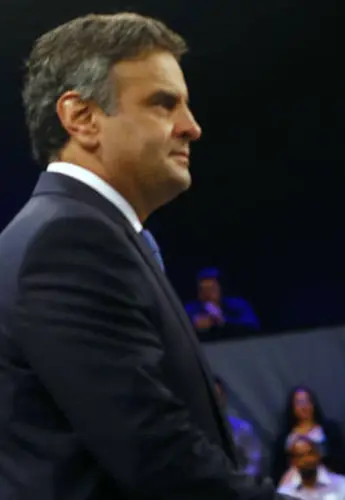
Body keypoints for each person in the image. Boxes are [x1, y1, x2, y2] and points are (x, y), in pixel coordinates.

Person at [0, 12, 288, 500]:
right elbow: (159, 457)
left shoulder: (79, 231)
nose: (191, 128)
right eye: (163, 104)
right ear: (81, 118)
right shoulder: (67, 242)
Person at [271, 386, 345, 484]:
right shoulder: (284, 438)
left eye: (307, 401)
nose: (304, 406)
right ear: (292, 407)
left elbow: (342, 461)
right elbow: (277, 469)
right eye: (299, 403)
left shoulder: (330, 430)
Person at [277, 436, 345, 500]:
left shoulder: (342, 484)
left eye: (310, 454)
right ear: (293, 462)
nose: (306, 460)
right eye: (300, 456)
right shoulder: (285, 493)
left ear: (318, 456)